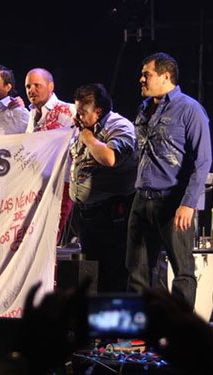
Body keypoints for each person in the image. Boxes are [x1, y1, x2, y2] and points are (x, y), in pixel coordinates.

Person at [126, 52, 212, 309]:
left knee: (182, 270)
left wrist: (189, 203)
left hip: (173, 202)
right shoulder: (144, 108)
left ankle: (180, 333)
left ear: (166, 76)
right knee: (137, 269)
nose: (141, 79)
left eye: (147, 74)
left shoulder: (189, 109)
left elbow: (203, 160)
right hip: (142, 199)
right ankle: (137, 331)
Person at [69, 83, 137, 293]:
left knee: (113, 276)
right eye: (77, 111)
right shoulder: (85, 127)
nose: (77, 117)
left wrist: (88, 138)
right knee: (94, 278)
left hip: (111, 216)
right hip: (87, 216)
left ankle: (114, 323)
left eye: (82, 112)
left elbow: (110, 158)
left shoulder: (119, 126)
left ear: (98, 111)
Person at [24, 68, 76, 243]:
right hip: (37, 186)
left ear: (51, 86)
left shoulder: (70, 110)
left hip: (61, 185)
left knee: (49, 239)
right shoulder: (31, 114)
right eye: (28, 86)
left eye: (37, 85)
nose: (31, 90)